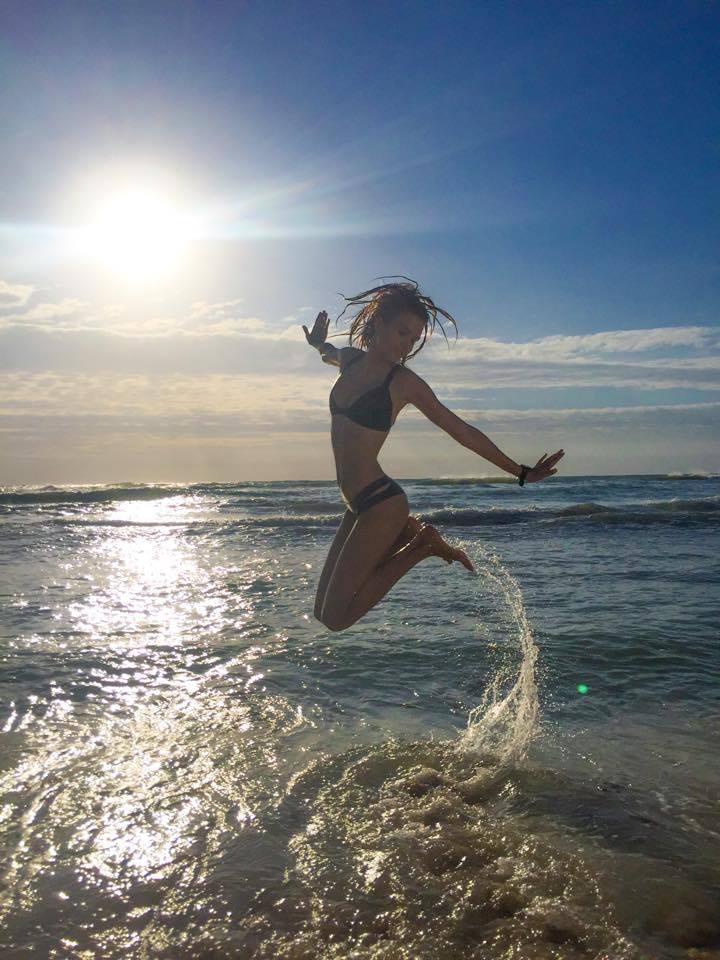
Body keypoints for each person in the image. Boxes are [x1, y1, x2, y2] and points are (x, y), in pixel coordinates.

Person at [302, 277, 564, 632]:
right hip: (357, 504)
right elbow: (327, 353)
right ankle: (420, 541)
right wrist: (318, 343)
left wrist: (520, 471)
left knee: (336, 618)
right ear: (378, 324)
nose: (406, 345)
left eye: (412, 339)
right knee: (321, 613)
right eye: (402, 333)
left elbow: (462, 431)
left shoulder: (404, 383)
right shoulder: (349, 361)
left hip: (381, 502)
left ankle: (423, 546)